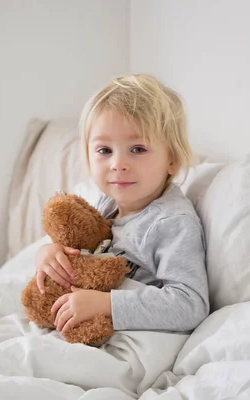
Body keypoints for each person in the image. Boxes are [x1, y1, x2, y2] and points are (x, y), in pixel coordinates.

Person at [34, 74, 210, 335]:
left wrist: (108, 304)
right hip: (89, 325)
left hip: (138, 338)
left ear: (171, 159)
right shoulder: (106, 205)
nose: (118, 163)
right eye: (104, 150)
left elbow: (190, 304)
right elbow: (86, 251)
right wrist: (49, 254)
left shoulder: (170, 222)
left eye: (137, 149)